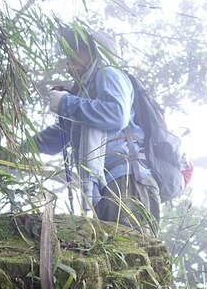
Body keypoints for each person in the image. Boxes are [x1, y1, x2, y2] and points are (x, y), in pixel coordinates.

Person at [30, 26, 161, 232]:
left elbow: (116, 115)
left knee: (129, 253)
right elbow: (59, 137)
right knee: (120, 257)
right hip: (111, 184)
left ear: (94, 51)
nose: (69, 56)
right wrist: (20, 147)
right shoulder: (85, 95)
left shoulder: (108, 73)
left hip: (126, 180)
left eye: (76, 48)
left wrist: (67, 103)